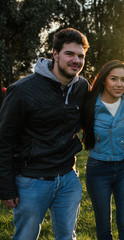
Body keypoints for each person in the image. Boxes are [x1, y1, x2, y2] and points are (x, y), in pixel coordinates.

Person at [0, 28, 89, 240]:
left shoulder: (81, 86)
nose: (76, 60)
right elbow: (3, 140)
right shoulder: (22, 90)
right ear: (55, 54)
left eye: (81, 56)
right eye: (69, 54)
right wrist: (6, 188)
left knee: (67, 236)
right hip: (31, 180)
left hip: (68, 177)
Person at [81, 60, 124, 240]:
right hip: (98, 169)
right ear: (104, 80)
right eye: (114, 79)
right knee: (103, 226)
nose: (119, 84)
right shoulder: (90, 105)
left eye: (123, 79)